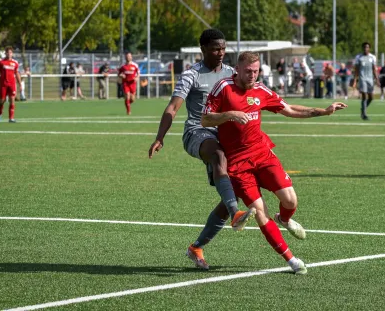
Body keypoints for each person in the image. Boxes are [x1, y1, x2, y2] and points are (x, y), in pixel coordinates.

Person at [202, 51, 347, 274]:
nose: (252, 75)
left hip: (262, 154)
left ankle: (285, 219)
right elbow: (205, 119)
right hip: (238, 165)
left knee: (290, 200)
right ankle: (291, 260)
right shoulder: (223, 88)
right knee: (260, 212)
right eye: (248, 71)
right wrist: (229, 114)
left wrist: (324, 112)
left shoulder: (261, 90)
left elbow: (289, 109)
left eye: (256, 71)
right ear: (238, 69)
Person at [148, 29, 255, 271]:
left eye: (224, 48)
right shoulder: (191, 75)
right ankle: (236, 214)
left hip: (225, 135)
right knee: (217, 156)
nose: (221, 53)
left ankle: (196, 247)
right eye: (216, 48)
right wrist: (160, 137)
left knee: (231, 190)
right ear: (203, 50)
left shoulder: (232, 74)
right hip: (197, 132)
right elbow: (172, 108)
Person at [353, 42, 380, 120]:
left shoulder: (372, 57)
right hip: (362, 78)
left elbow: (374, 69)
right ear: (362, 48)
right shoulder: (359, 57)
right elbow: (356, 70)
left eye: (367, 47)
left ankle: (363, 109)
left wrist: (377, 80)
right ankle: (364, 114)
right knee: (364, 95)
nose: (366, 49)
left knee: (371, 97)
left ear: (369, 48)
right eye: (364, 47)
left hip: (370, 79)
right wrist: (355, 80)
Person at [0, 47, 22, 122]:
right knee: (1, 101)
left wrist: (20, 84)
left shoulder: (15, 63)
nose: (9, 54)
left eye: (10, 52)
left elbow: (17, 73)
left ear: (12, 53)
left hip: (12, 85)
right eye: (7, 52)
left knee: (12, 100)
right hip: (3, 85)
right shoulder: (1, 62)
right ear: (5, 53)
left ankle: (11, 118)